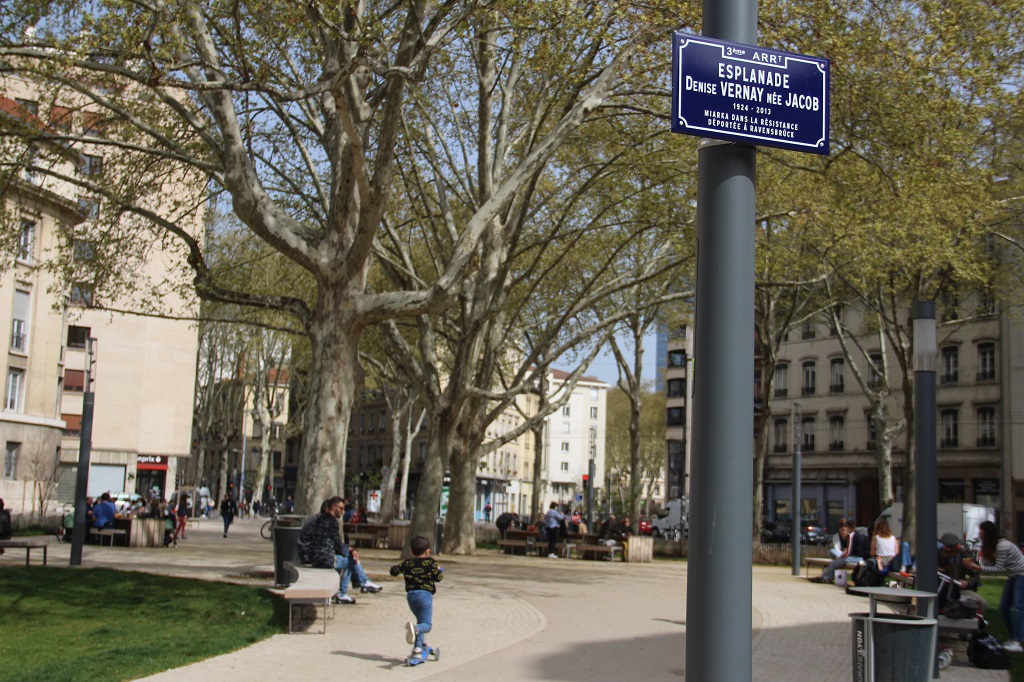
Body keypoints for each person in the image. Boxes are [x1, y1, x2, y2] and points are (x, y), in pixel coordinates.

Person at [300, 496, 382, 604]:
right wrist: (351, 550)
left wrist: (349, 550)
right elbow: (337, 546)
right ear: (334, 507)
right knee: (350, 560)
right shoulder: (332, 522)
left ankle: (358, 584)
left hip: (316, 558)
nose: (343, 512)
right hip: (324, 560)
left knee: (348, 557)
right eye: (342, 508)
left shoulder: (319, 520)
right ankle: (359, 584)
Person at [964, 520, 1024, 652]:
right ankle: (1013, 638)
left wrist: (978, 568)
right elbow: (990, 563)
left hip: (1021, 575)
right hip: (1013, 575)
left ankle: (1019, 641)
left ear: (988, 533)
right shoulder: (994, 546)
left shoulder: (1002, 546)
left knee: (1018, 608)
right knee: (1004, 607)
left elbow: (998, 568)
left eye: (981, 531)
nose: (979, 533)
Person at [390, 535, 444, 656]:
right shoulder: (430, 563)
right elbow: (438, 578)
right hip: (424, 595)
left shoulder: (407, 563)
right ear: (428, 551)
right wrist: (439, 570)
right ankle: (416, 629)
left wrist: (400, 567)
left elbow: (393, 571)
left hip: (411, 596)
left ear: (411, 551)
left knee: (420, 619)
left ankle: (418, 648)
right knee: (426, 625)